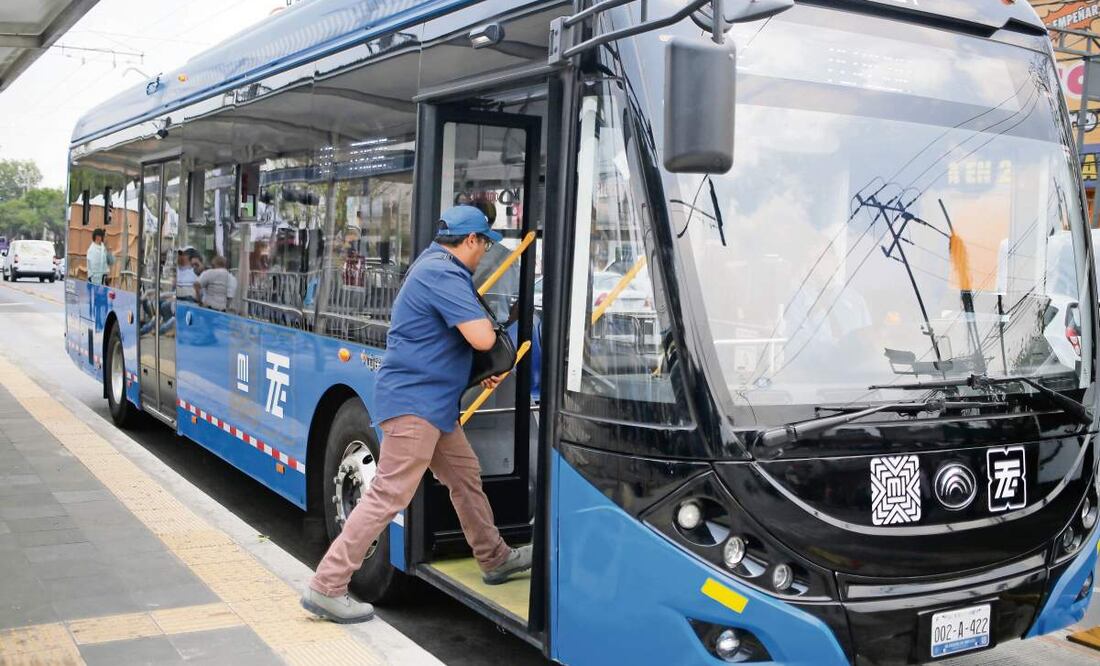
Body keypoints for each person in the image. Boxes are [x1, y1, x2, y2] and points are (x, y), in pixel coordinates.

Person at [301, 205, 531, 624]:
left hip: (434, 406)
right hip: (415, 406)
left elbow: (445, 341)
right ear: (471, 241)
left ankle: (494, 558)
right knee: (389, 493)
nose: (485, 255)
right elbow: (480, 336)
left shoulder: (433, 265)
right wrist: (492, 346)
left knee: (464, 477)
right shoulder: (442, 273)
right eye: (484, 245)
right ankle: (327, 585)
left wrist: (480, 371)